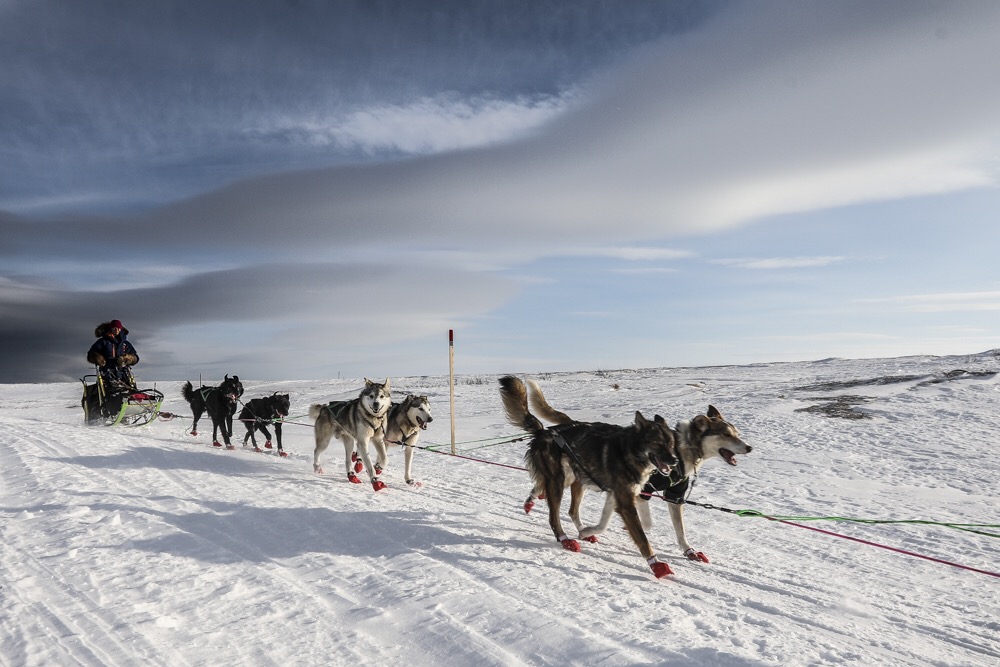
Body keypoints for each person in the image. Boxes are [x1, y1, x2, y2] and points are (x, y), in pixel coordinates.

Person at [87, 319, 140, 390]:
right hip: (107, 372)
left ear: (121, 329)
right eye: (114, 328)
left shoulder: (126, 344)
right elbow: (91, 354)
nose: (116, 329)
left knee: (130, 389)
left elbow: (135, 357)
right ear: (110, 329)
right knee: (112, 390)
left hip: (124, 372)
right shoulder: (102, 342)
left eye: (118, 328)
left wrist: (128, 358)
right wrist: (98, 358)